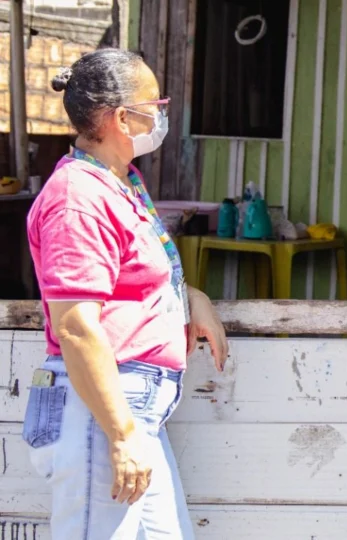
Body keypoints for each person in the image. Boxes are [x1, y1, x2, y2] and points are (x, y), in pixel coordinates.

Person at [22, 49, 228, 539]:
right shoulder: (78, 196)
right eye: (154, 104)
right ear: (121, 117)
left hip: (127, 413)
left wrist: (189, 296)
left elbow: (129, 280)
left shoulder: (118, 183)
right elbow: (75, 325)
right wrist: (120, 434)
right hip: (104, 409)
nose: (160, 115)